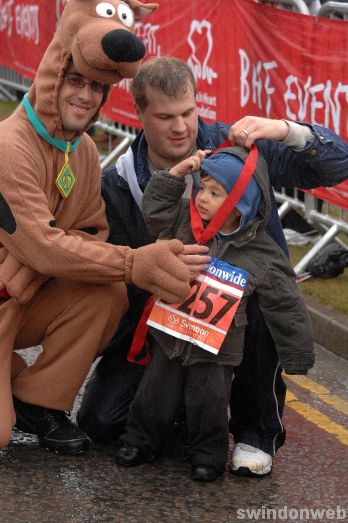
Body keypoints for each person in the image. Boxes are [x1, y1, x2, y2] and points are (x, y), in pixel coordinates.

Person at [77, 56, 348, 475]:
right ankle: (187, 412)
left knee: (259, 295)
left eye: (188, 112)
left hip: (243, 308)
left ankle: (256, 431)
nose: (181, 127)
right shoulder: (120, 182)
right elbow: (114, 277)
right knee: (100, 422)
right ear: (140, 114)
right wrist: (149, 269)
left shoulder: (239, 148)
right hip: (166, 315)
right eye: (165, 117)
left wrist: (283, 129)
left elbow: (336, 164)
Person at [0, 4, 209, 456]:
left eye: (97, 86)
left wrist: (55, 258)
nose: (86, 96)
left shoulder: (86, 150)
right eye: (75, 80)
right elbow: (42, 245)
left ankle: (39, 401)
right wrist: (134, 262)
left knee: (105, 291)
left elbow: (91, 236)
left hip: (19, 298)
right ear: (52, 75)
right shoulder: (9, 145)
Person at [114, 145, 314, 482]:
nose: (202, 197)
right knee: (153, 394)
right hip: (170, 334)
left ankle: (208, 455)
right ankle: (139, 440)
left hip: (218, 349)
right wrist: (175, 176)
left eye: (214, 192)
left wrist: (297, 354)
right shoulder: (183, 219)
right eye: (201, 187)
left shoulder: (263, 252)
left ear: (242, 202)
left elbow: (286, 304)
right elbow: (153, 212)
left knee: (210, 402)